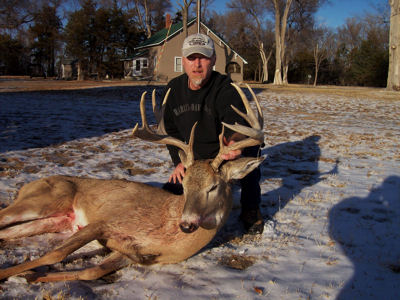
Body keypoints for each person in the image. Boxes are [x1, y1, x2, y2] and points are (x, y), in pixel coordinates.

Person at [161, 33, 264, 234]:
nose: (197, 64)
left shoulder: (225, 89)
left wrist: (233, 143)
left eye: (204, 57)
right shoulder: (173, 89)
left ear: (214, 60)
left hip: (222, 156)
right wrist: (178, 162)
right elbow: (170, 130)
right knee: (168, 193)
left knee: (251, 150)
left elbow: (236, 124)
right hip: (196, 158)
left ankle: (251, 208)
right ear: (183, 60)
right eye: (191, 58)